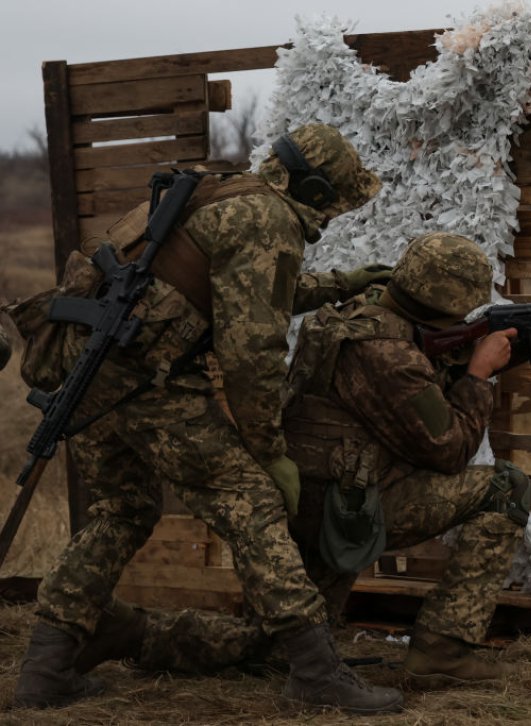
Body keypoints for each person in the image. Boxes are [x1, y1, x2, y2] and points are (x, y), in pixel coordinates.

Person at [68, 232, 531, 685]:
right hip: (348, 512)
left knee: (277, 648)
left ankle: (133, 632)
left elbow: (424, 372)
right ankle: (445, 647)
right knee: (503, 487)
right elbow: (449, 449)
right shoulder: (388, 357)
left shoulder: (352, 319)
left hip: (313, 499)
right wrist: (480, 377)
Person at [14, 123, 406, 715]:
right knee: (252, 504)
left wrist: (337, 286)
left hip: (92, 381)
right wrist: (269, 450)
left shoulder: (221, 193)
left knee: (123, 512)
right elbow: (252, 350)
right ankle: (316, 672)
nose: (332, 216)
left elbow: (241, 287)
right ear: (317, 188)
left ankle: (45, 668)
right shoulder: (270, 219)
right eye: (335, 202)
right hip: (147, 385)